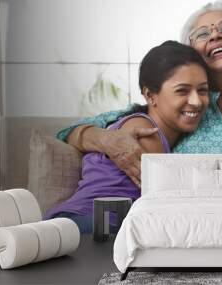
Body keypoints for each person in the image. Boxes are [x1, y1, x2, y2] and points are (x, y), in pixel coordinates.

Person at [56, 0, 222, 188]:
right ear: (194, 58)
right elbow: (70, 132)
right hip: (186, 234)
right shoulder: (180, 112)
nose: (214, 34)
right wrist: (107, 140)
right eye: (202, 34)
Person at [44, 41, 211, 233]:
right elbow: (162, 207)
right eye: (182, 90)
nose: (196, 101)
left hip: (82, 224)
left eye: (203, 90)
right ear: (150, 95)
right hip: (90, 226)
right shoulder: (144, 130)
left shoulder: (134, 124)